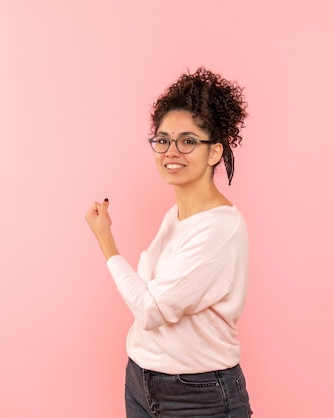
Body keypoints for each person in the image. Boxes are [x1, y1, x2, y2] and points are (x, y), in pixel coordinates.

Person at [85, 67, 253, 417]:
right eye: (162, 140)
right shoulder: (175, 216)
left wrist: (107, 243)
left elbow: (151, 309)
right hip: (141, 379)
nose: (170, 151)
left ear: (214, 152)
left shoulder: (220, 229)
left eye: (188, 141)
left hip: (197, 395)